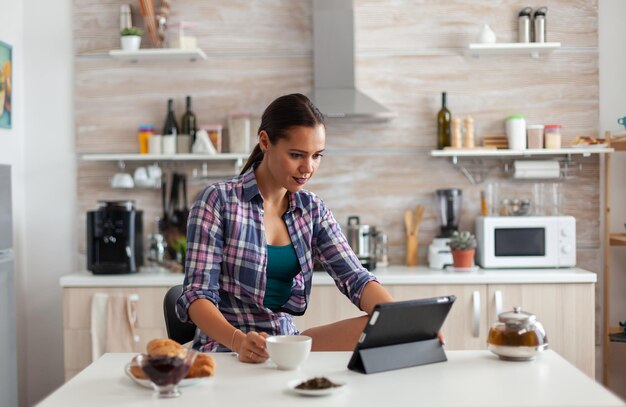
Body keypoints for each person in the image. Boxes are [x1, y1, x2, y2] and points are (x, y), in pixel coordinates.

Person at [177, 93, 394, 363]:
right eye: (296, 155)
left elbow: (356, 279)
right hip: (227, 350)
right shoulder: (218, 201)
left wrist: (404, 327)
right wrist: (238, 341)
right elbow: (197, 294)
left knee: (380, 329)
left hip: (285, 345)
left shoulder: (311, 209)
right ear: (265, 142)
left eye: (317, 156)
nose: (308, 168)